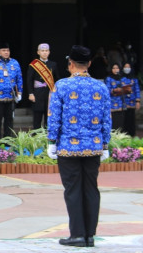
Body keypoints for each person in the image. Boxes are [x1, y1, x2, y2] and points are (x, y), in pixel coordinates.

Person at [47, 45, 111, 248]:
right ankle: (90, 235)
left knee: (73, 190)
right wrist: (106, 143)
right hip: (93, 146)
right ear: (89, 64)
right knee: (91, 189)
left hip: (68, 146)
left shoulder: (62, 85)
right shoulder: (101, 87)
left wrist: (51, 141)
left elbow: (54, 116)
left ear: (70, 64)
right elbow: (106, 119)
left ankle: (77, 235)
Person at [27, 43, 59, 129]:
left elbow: (56, 80)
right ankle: (36, 138)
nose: (45, 53)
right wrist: (30, 93)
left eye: (46, 51)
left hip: (49, 93)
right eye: (42, 51)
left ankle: (47, 138)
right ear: (38, 52)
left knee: (48, 117)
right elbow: (29, 80)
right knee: (37, 117)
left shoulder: (53, 64)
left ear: (49, 52)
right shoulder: (34, 64)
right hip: (37, 93)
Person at [104, 63, 126, 130]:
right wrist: (114, 90)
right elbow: (106, 90)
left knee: (120, 121)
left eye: (117, 68)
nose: (115, 70)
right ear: (111, 69)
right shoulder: (108, 78)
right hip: (112, 104)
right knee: (113, 121)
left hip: (121, 104)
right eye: (114, 68)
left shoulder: (121, 78)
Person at [122, 62, 140, 136]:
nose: (127, 69)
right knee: (123, 120)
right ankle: (124, 135)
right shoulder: (121, 78)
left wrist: (138, 101)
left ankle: (132, 134)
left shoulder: (134, 79)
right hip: (123, 103)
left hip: (132, 102)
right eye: (125, 67)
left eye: (128, 67)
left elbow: (137, 90)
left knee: (131, 119)